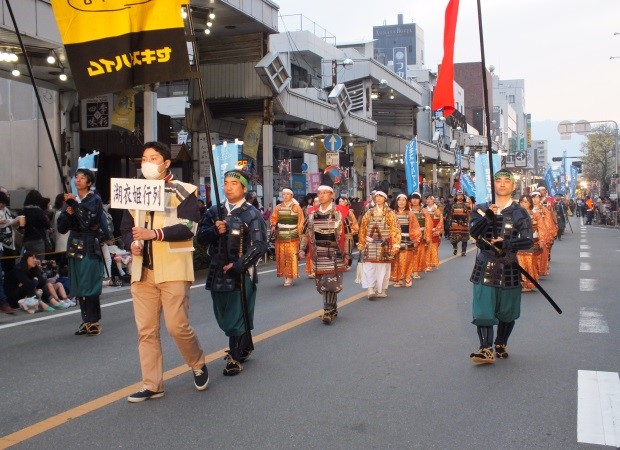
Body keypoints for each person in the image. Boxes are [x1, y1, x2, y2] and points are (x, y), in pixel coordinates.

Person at [120, 141, 209, 402]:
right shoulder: (133, 192)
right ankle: (152, 384)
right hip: (142, 271)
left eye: (154, 158)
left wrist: (154, 234)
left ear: (166, 163)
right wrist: (131, 243)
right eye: (145, 158)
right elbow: (126, 227)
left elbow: (189, 226)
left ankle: (197, 362)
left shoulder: (183, 191)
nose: (148, 162)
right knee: (146, 331)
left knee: (176, 326)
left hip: (173, 268)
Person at [197, 169, 268, 376]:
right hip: (216, 271)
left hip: (241, 273)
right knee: (223, 314)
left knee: (236, 314)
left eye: (234, 184)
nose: (228, 187)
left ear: (244, 189)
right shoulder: (213, 212)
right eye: (226, 183)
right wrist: (214, 230)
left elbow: (260, 245)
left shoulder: (252, 213)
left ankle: (235, 357)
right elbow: (201, 238)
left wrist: (239, 266)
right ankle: (244, 346)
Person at [468, 169, 533, 364]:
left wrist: (506, 244)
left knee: (507, 311)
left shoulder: (520, 212)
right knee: (483, 310)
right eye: (499, 180)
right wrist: (488, 216)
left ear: (513, 186)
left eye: (507, 181)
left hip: (509, 266)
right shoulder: (480, 208)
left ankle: (501, 342)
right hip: (485, 265)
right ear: (494, 185)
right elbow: (474, 232)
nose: (502, 184)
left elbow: (528, 240)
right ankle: (485, 349)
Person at [57, 169, 110, 336]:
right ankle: (86, 320)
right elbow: (61, 228)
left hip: (89, 244)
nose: (78, 180)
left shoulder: (95, 199)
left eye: (82, 178)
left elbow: (87, 221)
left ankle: (94, 321)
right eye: (76, 177)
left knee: (90, 284)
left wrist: (74, 205)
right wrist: (67, 212)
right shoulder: (70, 200)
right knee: (79, 286)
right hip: (74, 245)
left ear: (89, 182)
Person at [299, 185, 347, 323]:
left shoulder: (341, 212)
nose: (321, 195)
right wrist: (303, 249)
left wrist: (347, 254)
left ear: (332, 195)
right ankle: (332, 307)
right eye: (319, 193)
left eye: (325, 193)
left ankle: (328, 310)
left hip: (334, 252)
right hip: (318, 252)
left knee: (330, 282)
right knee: (322, 283)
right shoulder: (311, 213)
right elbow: (306, 234)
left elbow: (348, 234)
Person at [357, 191, 401, 299]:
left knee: (384, 268)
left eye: (381, 196)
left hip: (384, 245)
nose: (378, 198)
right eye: (377, 196)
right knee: (369, 267)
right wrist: (361, 243)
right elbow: (363, 228)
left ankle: (382, 289)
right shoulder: (369, 212)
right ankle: (371, 289)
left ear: (385, 198)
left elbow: (395, 229)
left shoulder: (390, 213)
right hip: (370, 244)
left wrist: (395, 244)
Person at [269, 189, 304, 287]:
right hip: (281, 235)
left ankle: (290, 276)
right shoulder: (278, 207)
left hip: (293, 234)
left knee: (292, 256)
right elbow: (273, 218)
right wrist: (273, 225)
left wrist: (299, 233)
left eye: (287, 194)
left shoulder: (297, 207)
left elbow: (301, 221)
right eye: (284, 194)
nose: (285, 196)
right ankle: (285, 275)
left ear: (292, 195)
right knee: (282, 256)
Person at [390, 194, 421, 287]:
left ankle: (407, 277)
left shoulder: (410, 214)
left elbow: (416, 227)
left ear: (406, 202)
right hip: (394, 240)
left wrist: (416, 239)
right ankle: (398, 278)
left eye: (403, 200)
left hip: (407, 239)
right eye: (399, 200)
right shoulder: (392, 213)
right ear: (397, 202)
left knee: (406, 259)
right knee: (396, 260)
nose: (401, 202)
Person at [516, 194, 541, 292]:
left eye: (525, 202)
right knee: (519, 263)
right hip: (518, 241)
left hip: (532, 241)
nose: (523, 204)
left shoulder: (535, 214)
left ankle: (528, 284)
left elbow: (542, 228)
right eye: (521, 202)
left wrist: (542, 240)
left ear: (530, 203)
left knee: (529, 263)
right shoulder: (516, 214)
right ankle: (521, 283)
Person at [409, 192, 432, 279]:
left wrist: (427, 236)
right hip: (409, 236)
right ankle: (410, 270)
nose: (414, 200)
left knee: (419, 254)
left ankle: (416, 271)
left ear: (420, 200)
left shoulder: (424, 211)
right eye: (413, 198)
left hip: (421, 236)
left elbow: (428, 224)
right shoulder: (407, 210)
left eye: (416, 198)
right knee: (410, 254)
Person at [22, 189, 51, 255]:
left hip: (26, 239)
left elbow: (21, 226)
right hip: (38, 239)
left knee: (29, 261)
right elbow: (47, 225)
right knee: (39, 262)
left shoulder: (23, 211)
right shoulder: (38, 211)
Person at [338, 196, 359, 269]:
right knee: (339, 249)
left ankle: (348, 264)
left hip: (347, 233)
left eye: (342, 201)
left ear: (346, 202)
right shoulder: (336, 211)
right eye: (339, 201)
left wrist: (352, 231)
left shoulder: (349, 212)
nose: (340, 202)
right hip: (339, 234)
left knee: (347, 249)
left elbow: (354, 223)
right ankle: (340, 264)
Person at [448, 191, 471, 256]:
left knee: (464, 239)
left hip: (464, 224)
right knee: (453, 239)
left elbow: (469, 213)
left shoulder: (466, 204)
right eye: (458, 195)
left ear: (463, 197)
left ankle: (463, 251)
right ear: (456, 197)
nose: (460, 197)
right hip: (455, 224)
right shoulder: (453, 205)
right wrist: (449, 223)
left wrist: (468, 222)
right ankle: (455, 247)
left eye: (461, 195)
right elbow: (451, 215)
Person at [425, 195, 444, 271]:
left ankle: (431, 263)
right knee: (426, 248)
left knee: (433, 247)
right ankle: (427, 264)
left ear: (433, 201)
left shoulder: (437, 210)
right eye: (427, 199)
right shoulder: (424, 209)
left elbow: (441, 221)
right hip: (426, 231)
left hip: (434, 230)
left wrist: (438, 230)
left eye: (430, 199)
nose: (428, 201)